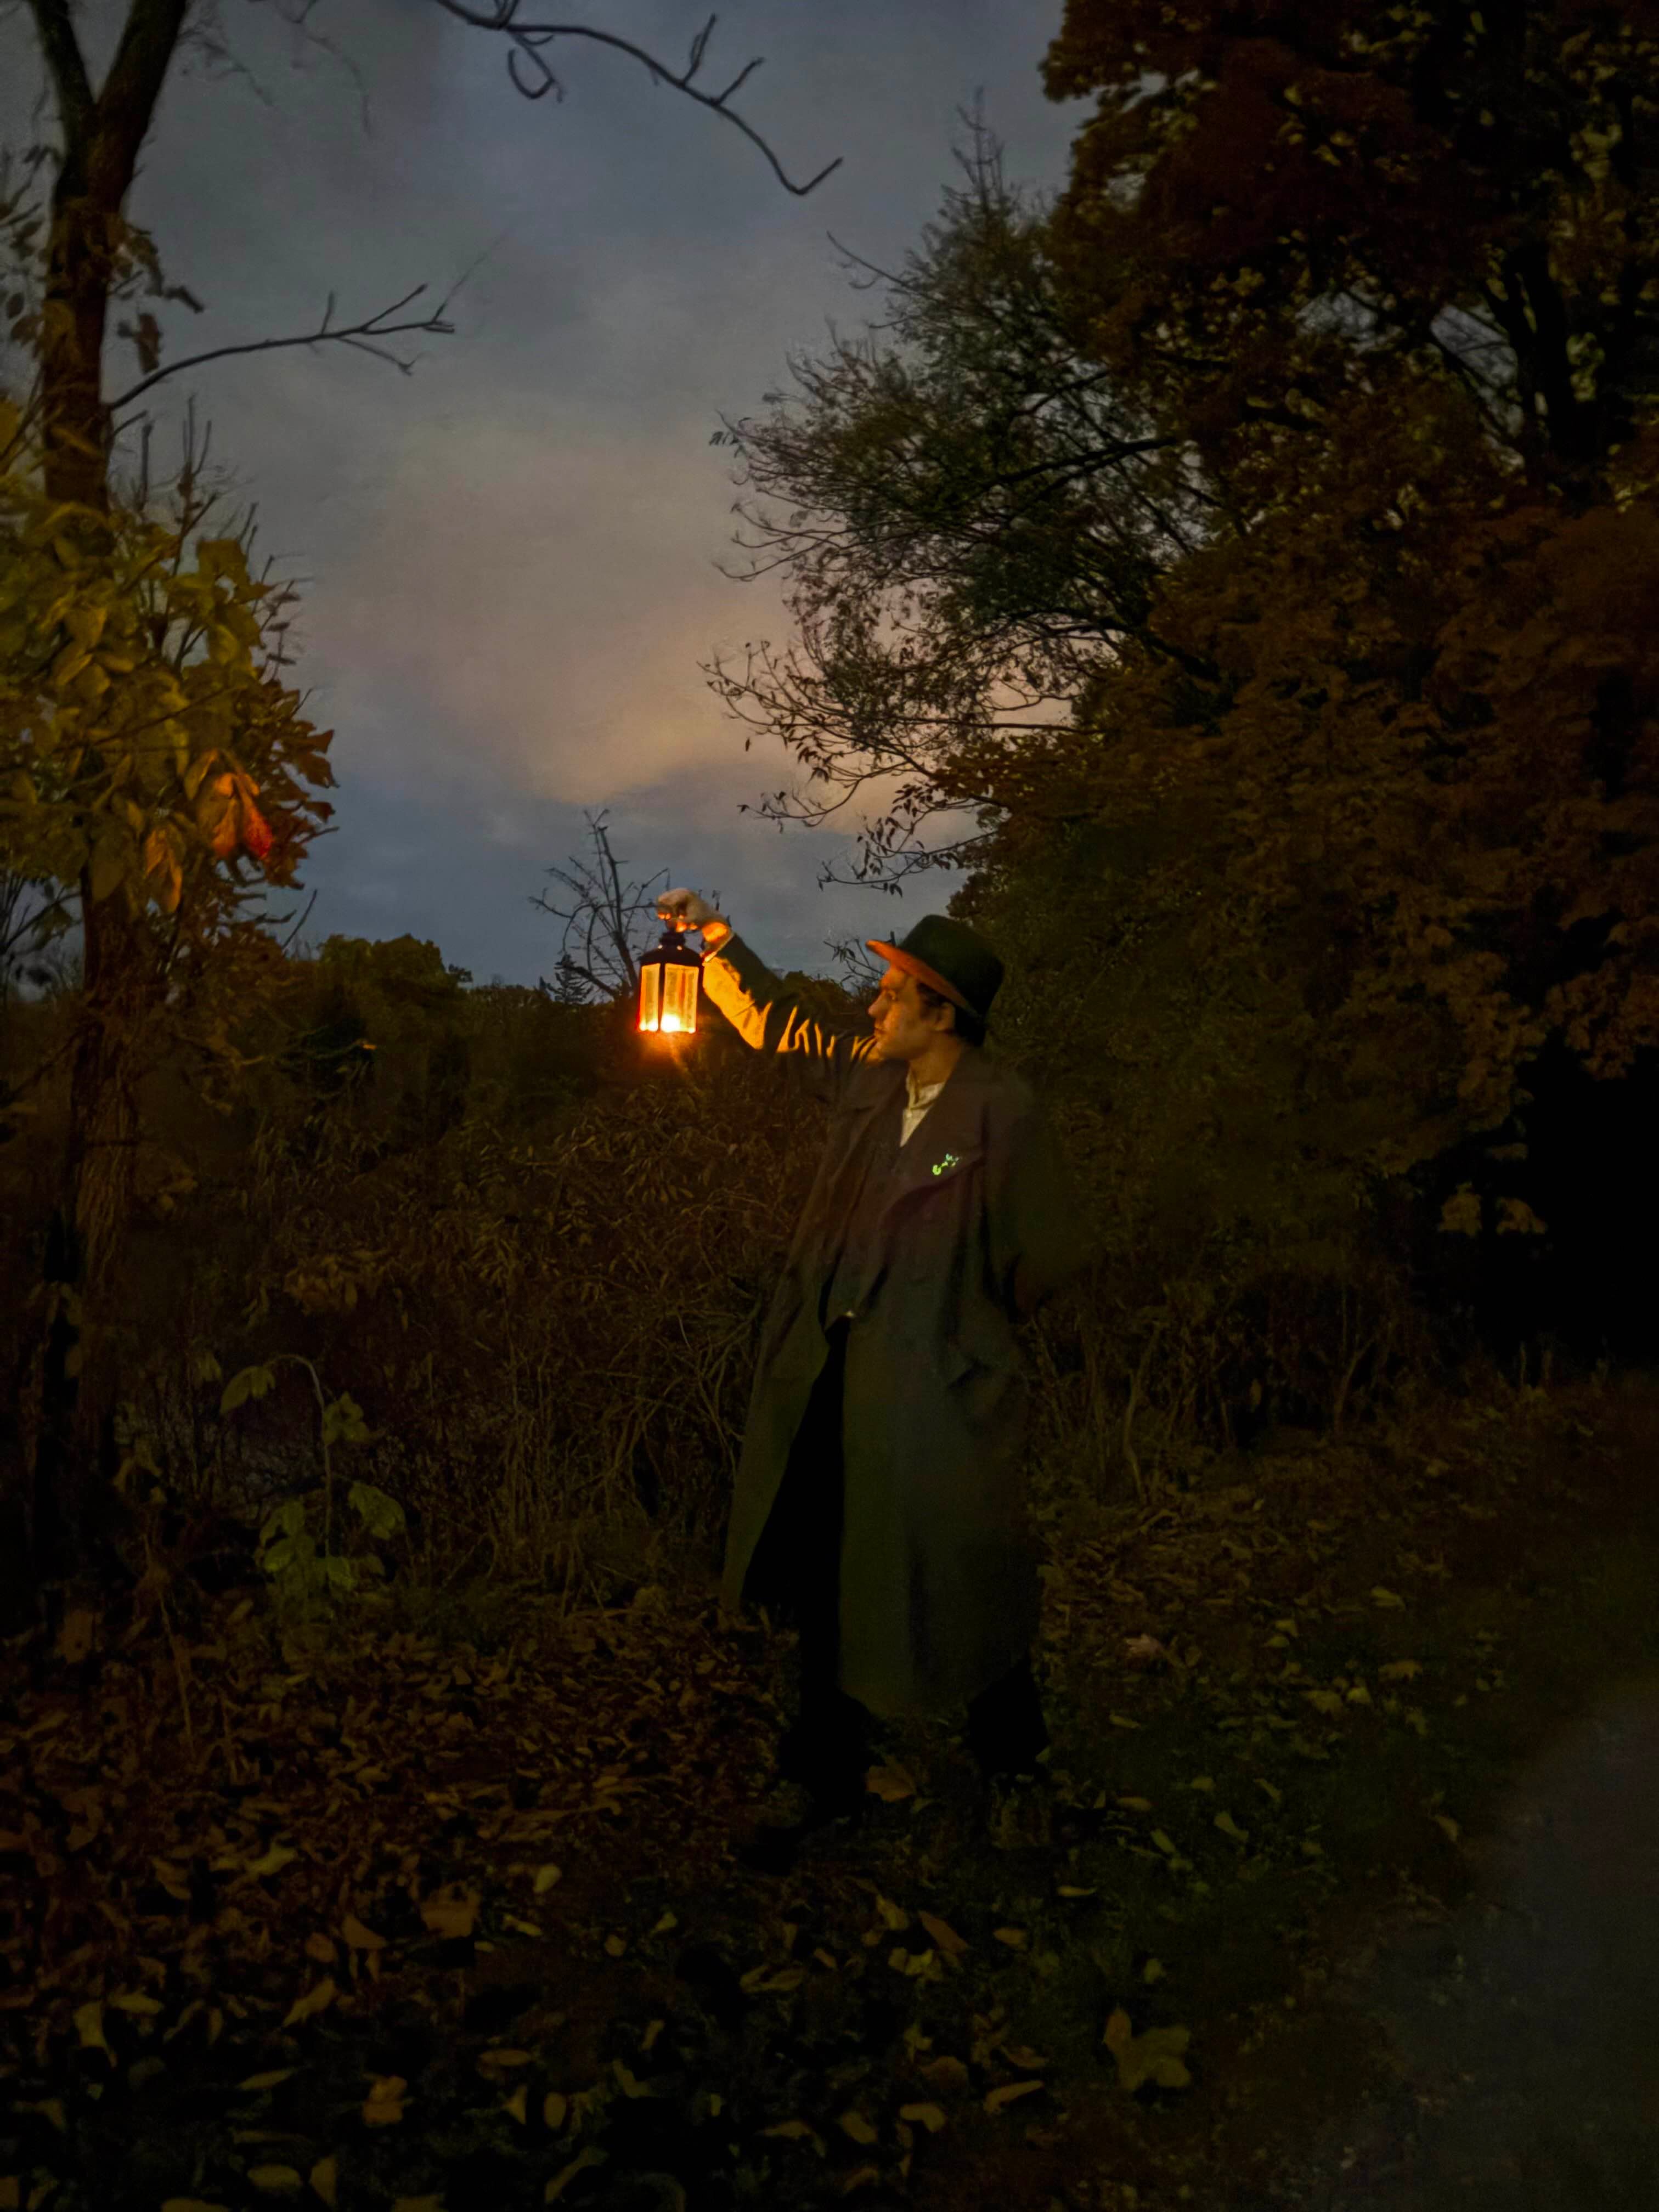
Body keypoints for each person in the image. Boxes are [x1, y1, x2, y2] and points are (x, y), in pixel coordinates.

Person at [656, 888, 1087, 1870]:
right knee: (823, 1565)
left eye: (894, 995)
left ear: (943, 1014)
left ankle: (1014, 1769)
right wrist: (720, 941)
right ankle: (823, 1775)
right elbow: (781, 1025)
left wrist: (962, 1338)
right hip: (833, 1370)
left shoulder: (1000, 1112)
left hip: (936, 1387)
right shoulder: (869, 1082)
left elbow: (1045, 1256)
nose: (874, 1007)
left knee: (964, 1563)